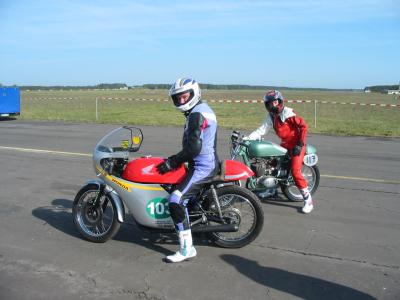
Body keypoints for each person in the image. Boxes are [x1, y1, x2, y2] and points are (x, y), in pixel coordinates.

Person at [156, 77, 219, 262]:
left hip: (203, 166)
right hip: (200, 162)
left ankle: (186, 249)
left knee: (175, 200)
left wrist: (172, 161)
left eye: (184, 96)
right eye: (178, 98)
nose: (181, 101)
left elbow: (193, 148)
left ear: (194, 93)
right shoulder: (201, 110)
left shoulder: (197, 114)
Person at [245, 90, 314, 214]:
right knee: (271, 163)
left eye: (275, 102)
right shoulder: (271, 116)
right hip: (285, 145)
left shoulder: (288, 113)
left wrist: (300, 143)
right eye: (270, 104)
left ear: (280, 102)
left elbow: (303, 126)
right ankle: (272, 190)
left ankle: (308, 199)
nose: (273, 106)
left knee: (295, 171)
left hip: (298, 145)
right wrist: (247, 138)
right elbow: (261, 130)